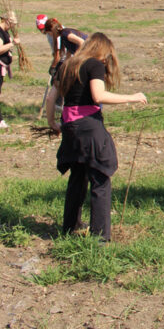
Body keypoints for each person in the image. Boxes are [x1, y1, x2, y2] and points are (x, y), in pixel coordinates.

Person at [46, 33, 147, 242]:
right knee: (100, 177)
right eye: (106, 56)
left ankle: (70, 227)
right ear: (101, 51)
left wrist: (52, 123)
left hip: (69, 126)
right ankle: (100, 236)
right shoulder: (94, 65)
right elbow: (98, 96)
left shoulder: (67, 65)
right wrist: (132, 98)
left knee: (78, 176)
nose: (105, 61)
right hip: (89, 127)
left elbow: (50, 97)